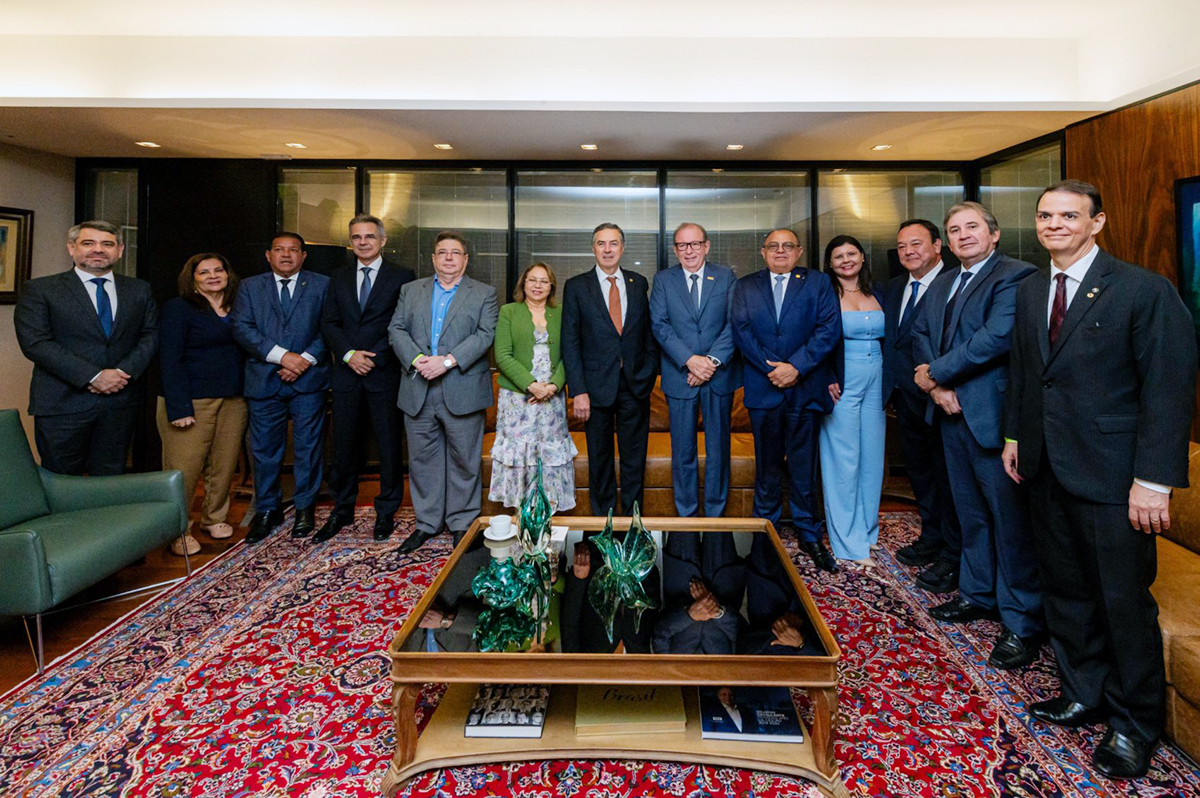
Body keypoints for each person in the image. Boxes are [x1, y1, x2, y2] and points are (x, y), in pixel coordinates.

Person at [1003, 180, 1198, 779]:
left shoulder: (1142, 289)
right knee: (1065, 592)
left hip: (1115, 478)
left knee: (1121, 601)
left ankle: (1134, 724)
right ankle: (1083, 692)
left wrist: (1155, 480)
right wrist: (1016, 438)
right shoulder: (1035, 287)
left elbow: (1168, 389)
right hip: (1046, 469)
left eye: (1068, 215)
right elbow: (1028, 374)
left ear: (1098, 222)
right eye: (1045, 215)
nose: (1054, 224)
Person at [910, 201, 1044, 670]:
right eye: (955, 230)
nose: (963, 235)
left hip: (992, 414)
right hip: (949, 413)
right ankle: (978, 593)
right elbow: (923, 332)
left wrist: (938, 376)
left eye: (972, 227)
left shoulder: (1017, 275)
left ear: (994, 233)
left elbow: (996, 337)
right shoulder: (946, 279)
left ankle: (1021, 621)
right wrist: (935, 384)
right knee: (970, 514)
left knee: (1010, 522)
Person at [731, 228, 841, 573]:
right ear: (763, 253)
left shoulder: (818, 283)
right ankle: (765, 531)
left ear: (799, 252)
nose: (780, 251)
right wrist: (773, 369)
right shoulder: (746, 285)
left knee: (803, 466)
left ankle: (810, 534)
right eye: (773, 247)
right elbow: (741, 331)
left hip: (805, 387)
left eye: (787, 246)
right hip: (764, 389)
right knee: (766, 466)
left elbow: (828, 329)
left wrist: (796, 367)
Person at [14, 221, 157, 476]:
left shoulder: (139, 289)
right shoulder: (41, 289)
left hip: (119, 402)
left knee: (110, 477)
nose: (98, 250)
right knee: (61, 480)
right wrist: (94, 376)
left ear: (120, 250)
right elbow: (36, 343)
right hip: (62, 403)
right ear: (71, 248)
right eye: (88, 243)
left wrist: (123, 371)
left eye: (107, 244)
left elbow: (150, 335)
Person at [388, 230, 498, 553]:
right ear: (433, 258)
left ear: (466, 259)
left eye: (455, 253)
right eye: (442, 252)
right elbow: (395, 329)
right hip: (417, 386)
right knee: (423, 460)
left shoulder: (484, 293)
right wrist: (419, 360)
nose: (448, 258)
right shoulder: (410, 291)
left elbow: (484, 335)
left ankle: (462, 524)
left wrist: (447, 362)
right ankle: (427, 523)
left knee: (464, 460)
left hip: (461, 387)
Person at [318, 214, 415, 543]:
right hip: (346, 373)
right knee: (343, 445)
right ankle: (342, 508)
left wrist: (373, 357)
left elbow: (403, 324)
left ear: (383, 240)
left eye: (369, 237)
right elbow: (329, 323)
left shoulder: (403, 276)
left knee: (389, 445)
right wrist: (349, 355)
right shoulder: (339, 277)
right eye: (356, 237)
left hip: (384, 372)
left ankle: (386, 511)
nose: (363, 242)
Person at [230, 232, 330, 543]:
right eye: (279, 250)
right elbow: (241, 327)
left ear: (303, 255)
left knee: (308, 448)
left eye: (293, 250)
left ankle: (304, 507)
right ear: (268, 255)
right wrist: (283, 357)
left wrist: (304, 360)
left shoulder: (321, 284)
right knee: (264, 450)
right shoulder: (249, 286)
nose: (286, 255)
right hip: (265, 379)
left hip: (309, 380)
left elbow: (330, 327)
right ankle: (267, 509)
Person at [560, 223, 659, 515]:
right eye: (601, 243)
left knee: (634, 459)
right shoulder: (577, 286)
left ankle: (632, 521)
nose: (607, 249)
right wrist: (578, 391)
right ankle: (602, 521)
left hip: (634, 385)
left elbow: (647, 333)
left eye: (613, 243)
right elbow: (570, 342)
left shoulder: (638, 282)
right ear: (593, 248)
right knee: (600, 460)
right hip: (594, 389)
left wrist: (648, 372)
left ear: (622, 248)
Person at [884, 220, 961, 592]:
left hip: (942, 397)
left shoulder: (953, 283)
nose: (908, 251)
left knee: (950, 479)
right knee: (922, 476)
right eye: (901, 246)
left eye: (916, 244)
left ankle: (953, 552)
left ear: (937, 246)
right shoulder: (895, 287)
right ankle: (931, 536)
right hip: (906, 400)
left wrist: (937, 382)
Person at [156, 253, 247, 556]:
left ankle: (214, 518)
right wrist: (178, 407)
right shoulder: (178, 309)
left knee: (223, 465)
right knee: (184, 468)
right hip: (191, 399)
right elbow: (169, 359)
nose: (212, 276)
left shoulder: (239, 306)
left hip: (234, 397)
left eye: (218, 270)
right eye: (203, 272)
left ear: (227, 273)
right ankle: (179, 530)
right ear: (192, 279)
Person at [649, 223, 741, 517]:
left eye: (694, 244)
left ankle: (716, 513)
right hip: (680, 377)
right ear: (675, 249)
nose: (689, 251)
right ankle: (686, 512)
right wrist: (691, 360)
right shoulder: (664, 280)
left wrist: (711, 362)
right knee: (683, 453)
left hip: (718, 377)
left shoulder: (726, 276)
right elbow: (659, 325)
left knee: (718, 451)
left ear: (706, 245)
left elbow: (734, 323)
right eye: (682, 245)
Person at [489, 261, 577, 511]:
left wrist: (553, 386)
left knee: (550, 458)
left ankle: (550, 520)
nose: (537, 285)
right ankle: (523, 519)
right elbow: (502, 355)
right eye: (532, 280)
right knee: (522, 458)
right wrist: (531, 385)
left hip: (552, 397)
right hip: (518, 400)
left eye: (543, 281)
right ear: (523, 284)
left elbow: (570, 352)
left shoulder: (562, 312)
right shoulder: (509, 311)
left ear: (551, 286)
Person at [819, 235, 885, 566]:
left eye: (851, 253)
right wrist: (828, 375)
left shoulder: (879, 291)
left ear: (862, 256)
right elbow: (818, 339)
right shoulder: (827, 294)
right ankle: (848, 542)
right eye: (838, 256)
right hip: (843, 379)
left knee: (872, 459)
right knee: (844, 460)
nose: (846, 260)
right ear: (829, 264)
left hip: (878, 377)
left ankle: (867, 532)